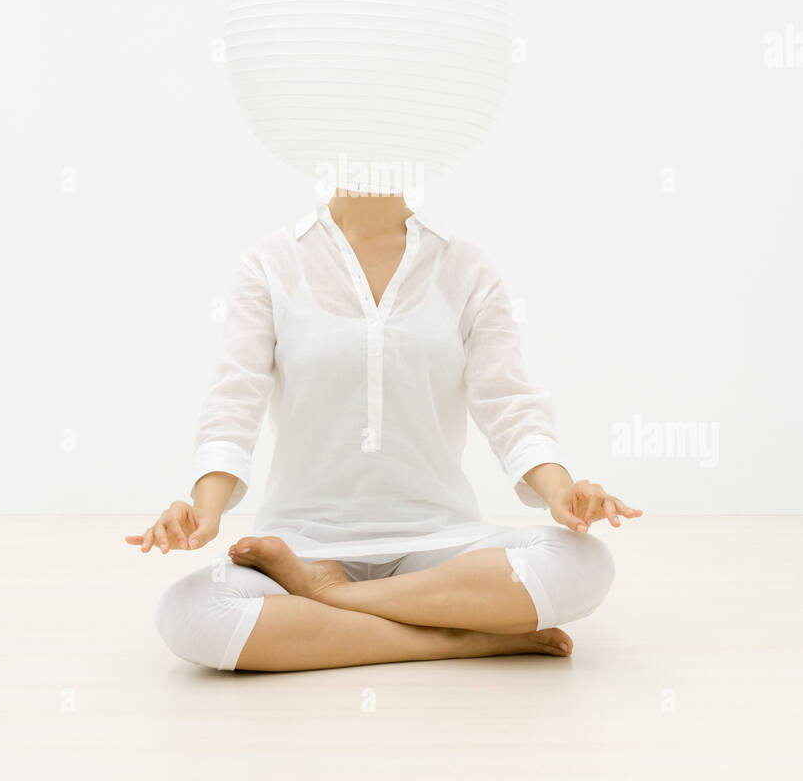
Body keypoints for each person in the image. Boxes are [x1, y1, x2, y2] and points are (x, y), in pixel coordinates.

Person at [127, 192, 641, 672]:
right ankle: (465, 638)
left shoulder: (465, 268)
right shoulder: (271, 263)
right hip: (303, 543)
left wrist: (561, 491)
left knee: (582, 562)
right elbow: (234, 399)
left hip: (439, 546)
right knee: (189, 610)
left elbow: (508, 403)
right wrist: (205, 509)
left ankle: (330, 599)